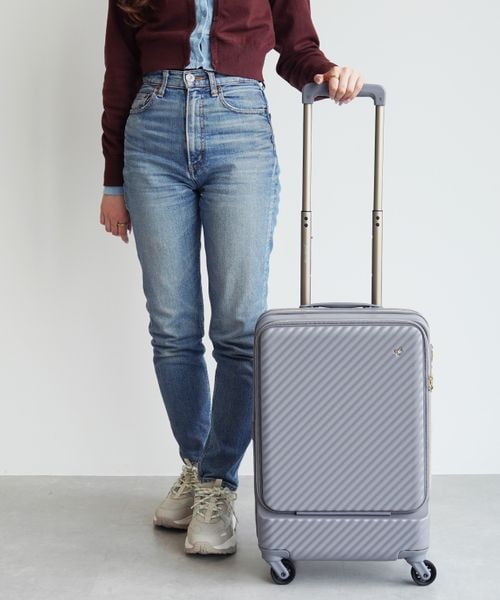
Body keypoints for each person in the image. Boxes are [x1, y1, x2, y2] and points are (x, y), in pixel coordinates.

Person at [99, 0, 364, 556]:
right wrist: (113, 183)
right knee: (172, 327)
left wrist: (326, 72)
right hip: (152, 128)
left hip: (238, 124)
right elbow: (119, 71)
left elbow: (296, 46)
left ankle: (218, 482)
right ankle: (199, 468)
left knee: (240, 329)